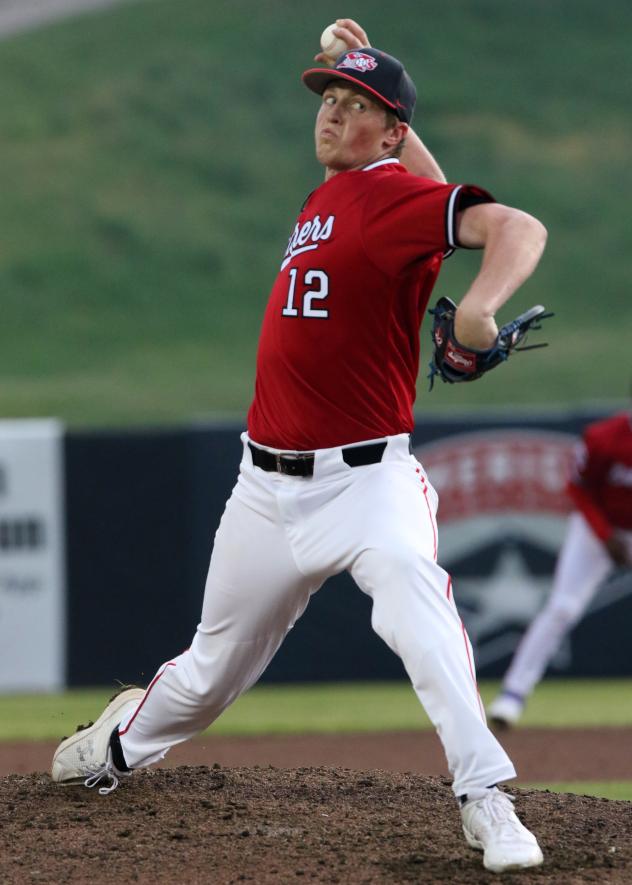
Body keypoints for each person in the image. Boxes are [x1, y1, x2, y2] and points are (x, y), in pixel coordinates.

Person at [51, 20, 547, 874]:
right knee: (208, 674)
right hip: (263, 487)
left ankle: (486, 796)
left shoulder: (384, 195)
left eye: (357, 107)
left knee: (409, 591)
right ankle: (122, 743)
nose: (332, 115)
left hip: (366, 484)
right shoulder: (338, 196)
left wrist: (478, 306)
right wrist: (370, 76)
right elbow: (426, 186)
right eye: (331, 99)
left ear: (389, 132)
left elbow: (519, 227)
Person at [489, 407, 632, 727]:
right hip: (598, 529)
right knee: (563, 607)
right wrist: (606, 536)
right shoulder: (605, 437)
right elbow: (579, 488)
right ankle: (512, 694)